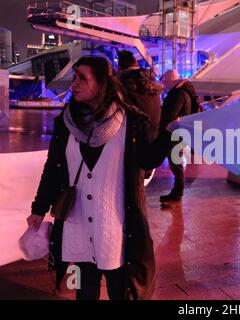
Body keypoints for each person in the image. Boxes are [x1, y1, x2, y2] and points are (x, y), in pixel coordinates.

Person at [26, 56, 169, 300]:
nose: (74, 84)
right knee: (84, 290)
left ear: (102, 83)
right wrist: (38, 209)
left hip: (116, 230)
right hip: (77, 226)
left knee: (120, 292)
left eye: (82, 78)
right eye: (74, 78)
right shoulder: (66, 122)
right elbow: (54, 169)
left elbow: (148, 160)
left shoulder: (131, 123)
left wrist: (171, 135)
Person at [117, 50, 164, 186]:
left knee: (129, 197)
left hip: (132, 151)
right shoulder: (152, 86)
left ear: (120, 68)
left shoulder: (123, 87)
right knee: (137, 193)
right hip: (150, 148)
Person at [158, 69, 197, 204]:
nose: (163, 84)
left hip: (175, 134)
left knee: (176, 164)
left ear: (170, 79)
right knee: (176, 163)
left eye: (164, 81)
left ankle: (177, 193)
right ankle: (176, 192)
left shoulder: (177, 94)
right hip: (180, 133)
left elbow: (170, 114)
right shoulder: (183, 92)